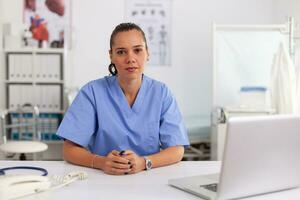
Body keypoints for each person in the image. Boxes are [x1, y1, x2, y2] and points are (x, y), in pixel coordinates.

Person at [56, 22, 189, 175]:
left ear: (147, 53)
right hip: (102, 179)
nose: (130, 58)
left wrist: (144, 162)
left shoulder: (161, 93)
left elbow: (177, 149)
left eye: (137, 50)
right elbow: (69, 149)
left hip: (148, 179)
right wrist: (101, 162)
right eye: (121, 52)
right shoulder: (92, 92)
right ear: (111, 56)